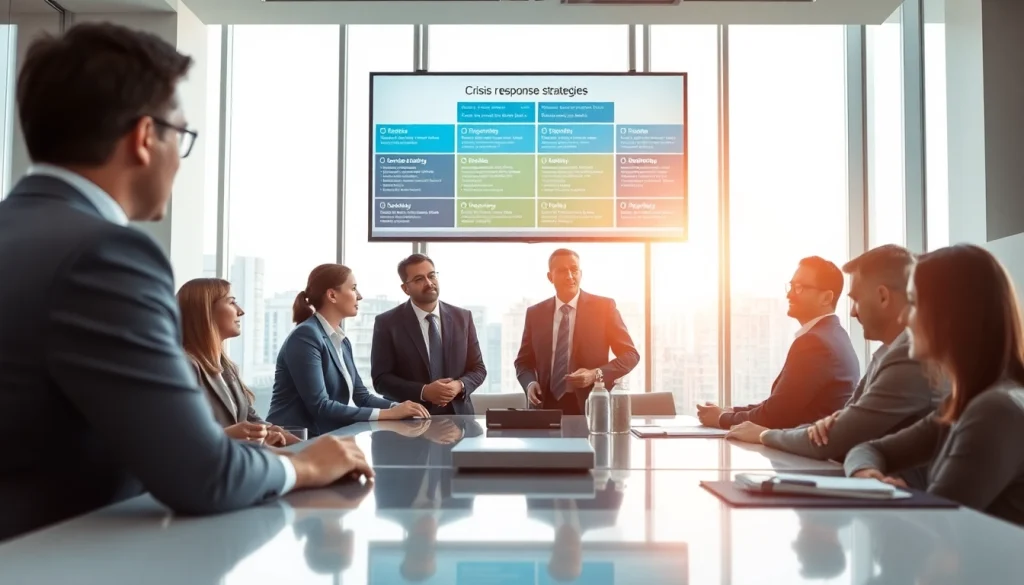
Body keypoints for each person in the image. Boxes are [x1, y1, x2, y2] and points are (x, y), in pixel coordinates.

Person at [0, 22, 370, 542]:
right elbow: (201, 472)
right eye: (183, 136)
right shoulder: (106, 253)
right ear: (146, 137)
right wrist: (308, 465)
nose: (180, 158)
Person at [844, 244, 1024, 527]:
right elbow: (867, 449)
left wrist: (896, 497)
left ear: (951, 315)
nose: (903, 317)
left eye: (913, 303)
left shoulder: (994, 411)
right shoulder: (963, 403)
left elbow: (939, 527)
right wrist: (867, 475)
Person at [726, 246, 943, 480]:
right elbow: (846, 428)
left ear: (883, 297)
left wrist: (765, 435)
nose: (852, 312)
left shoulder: (909, 359)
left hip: (909, 500)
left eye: (856, 300)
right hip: (882, 489)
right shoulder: (886, 353)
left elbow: (837, 437)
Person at [698, 256, 860, 429]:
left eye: (799, 288)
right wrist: (729, 411)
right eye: (791, 286)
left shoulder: (815, 343)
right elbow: (783, 404)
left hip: (805, 452)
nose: (789, 294)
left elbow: (776, 415)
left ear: (827, 298)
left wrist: (722, 419)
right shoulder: (836, 335)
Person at [268, 264, 429, 436]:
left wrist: (399, 407)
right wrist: (388, 414)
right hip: (292, 441)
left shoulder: (341, 341)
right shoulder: (306, 336)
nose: (359, 296)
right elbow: (321, 405)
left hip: (322, 440)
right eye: (353, 288)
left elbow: (362, 397)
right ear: (332, 295)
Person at [177, 278, 301, 447]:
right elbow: (176, 438)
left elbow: (249, 418)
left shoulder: (228, 367)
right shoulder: (184, 366)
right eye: (232, 302)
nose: (240, 311)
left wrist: (273, 431)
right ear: (205, 310)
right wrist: (228, 436)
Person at [514, 248, 640, 415]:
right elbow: (523, 362)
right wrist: (530, 383)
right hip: (545, 405)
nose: (569, 276)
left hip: (591, 406)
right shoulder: (535, 313)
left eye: (574, 270)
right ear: (550, 277)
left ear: (581, 273)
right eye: (561, 271)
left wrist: (595, 374)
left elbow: (631, 355)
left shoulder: (604, 308)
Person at [370, 254, 487, 415]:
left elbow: (478, 368)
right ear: (405, 288)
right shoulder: (387, 323)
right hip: (410, 422)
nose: (429, 283)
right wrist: (424, 391)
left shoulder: (463, 317)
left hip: (460, 420)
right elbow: (381, 380)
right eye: (419, 279)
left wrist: (459, 385)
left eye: (432, 276)